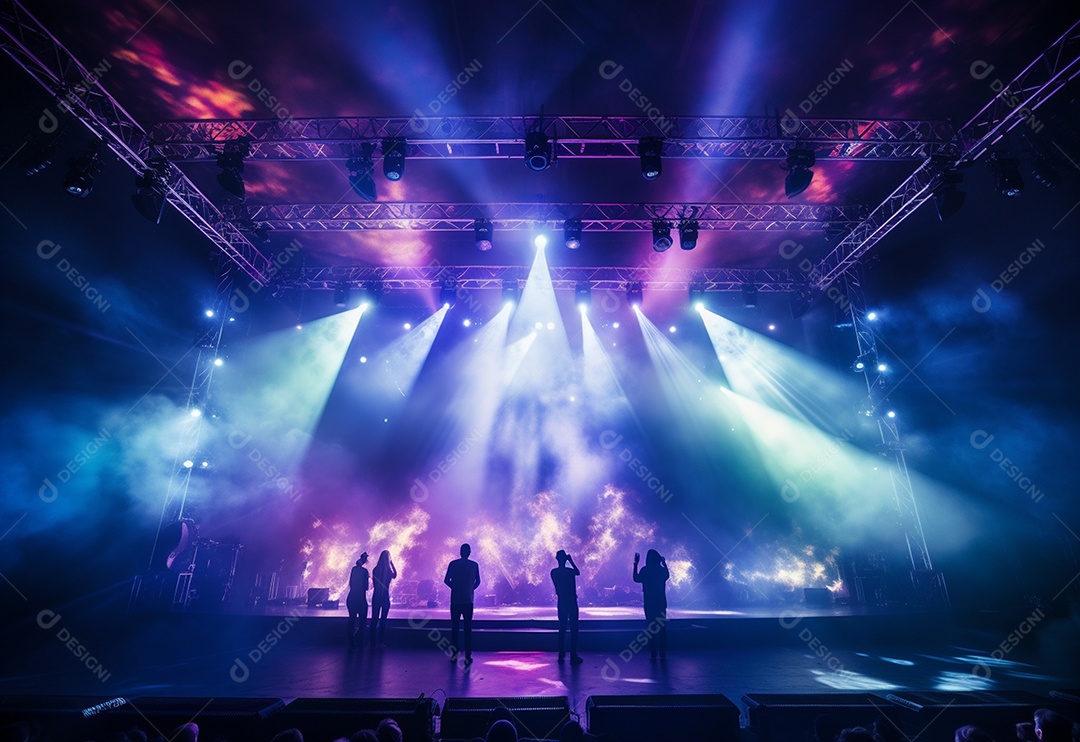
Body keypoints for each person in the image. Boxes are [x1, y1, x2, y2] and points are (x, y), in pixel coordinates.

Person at [444, 542, 481, 663]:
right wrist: (470, 589)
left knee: (455, 628)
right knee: (467, 628)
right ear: (469, 552)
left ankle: (454, 654)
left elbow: (446, 580)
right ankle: (468, 656)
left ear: (460, 552)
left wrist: (455, 587)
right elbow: (478, 581)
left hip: (455, 600)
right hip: (468, 600)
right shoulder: (474, 565)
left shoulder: (453, 564)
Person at [632, 548, 669, 659]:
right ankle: (662, 653)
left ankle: (653, 653)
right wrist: (664, 563)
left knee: (650, 628)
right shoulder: (661, 570)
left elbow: (636, 578)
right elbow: (667, 575)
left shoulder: (645, 570)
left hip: (649, 603)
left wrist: (635, 564)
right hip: (661, 603)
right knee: (662, 628)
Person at [550, 549, 583, 664]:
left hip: (561, 601)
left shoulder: (554, 572)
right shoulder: (569, 571)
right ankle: (573, 654)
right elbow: (578, 572)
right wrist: (571, 561)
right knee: (574, 627)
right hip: (571, 601)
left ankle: (561, 653)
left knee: (562, 627)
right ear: (565, 559)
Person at [369, 550, 397, 647]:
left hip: (376, 596)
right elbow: (395, 575)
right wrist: (392, 563)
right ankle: (380, 642)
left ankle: (372, 642)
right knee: (383, 620)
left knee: (374, 619)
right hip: (385, 597)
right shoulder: (389, 571)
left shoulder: (375, 569)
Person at [346, 553, 369, 648]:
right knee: (362, 621)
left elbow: (351, 583)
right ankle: (359, 642)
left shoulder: (353, 570)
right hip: (360, 599)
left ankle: (351, 643)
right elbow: (366, 587)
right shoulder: (365, 571)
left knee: (351, 620)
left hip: (351, 597)